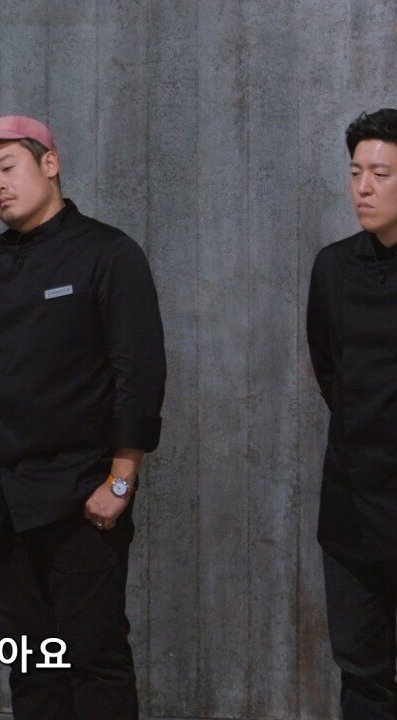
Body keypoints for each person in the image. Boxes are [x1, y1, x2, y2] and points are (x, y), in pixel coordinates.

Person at [0, 116, 166, 719]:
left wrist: (120, 482)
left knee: (95, 660)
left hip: (81, 498)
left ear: (49, 164)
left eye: (7, 168)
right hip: (1, 499)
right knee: (31, 668)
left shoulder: (108, 253)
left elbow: (139, 376)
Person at [307, 107, 397, 720]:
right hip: (352, 504)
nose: (363, 188)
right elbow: (329, 371)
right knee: (362, 670)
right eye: (356, 172)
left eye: (381, 174)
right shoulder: (334, 266)